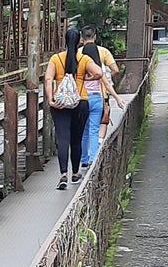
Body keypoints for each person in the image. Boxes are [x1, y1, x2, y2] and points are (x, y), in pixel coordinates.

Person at [45, 26, 116, 189]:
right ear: (79, 41)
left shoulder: (56, 59)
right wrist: (86, 77)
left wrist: (50, 99)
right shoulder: (84, 59)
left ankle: (63, 174)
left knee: (62, 138)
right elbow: (99, 73)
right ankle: (76, 173)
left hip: (60, 102)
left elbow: (48, 80)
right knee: (76, 139)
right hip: (80, 101)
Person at [78, 26, 120, 167]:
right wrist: (116, 97)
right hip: (99, 96)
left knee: (83, 129)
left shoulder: (77, 55)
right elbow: (114, 70)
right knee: (96, 128)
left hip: (82, 98)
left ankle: (83, 159)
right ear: (95, 37)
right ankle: (93, 158)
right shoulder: (102, 55)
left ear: (81, 38)